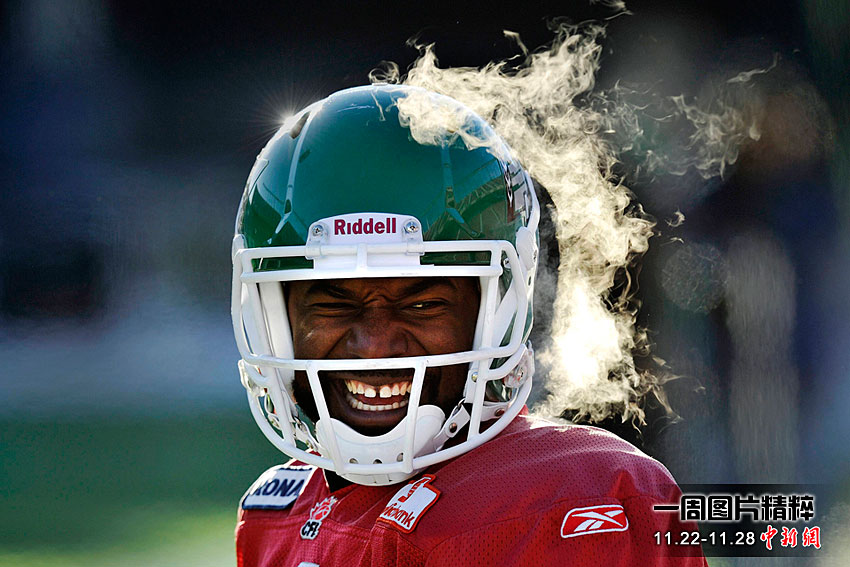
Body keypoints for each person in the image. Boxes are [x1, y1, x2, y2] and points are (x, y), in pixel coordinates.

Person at [231, 84, 706, 566]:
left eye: (422, 305)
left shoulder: (567, 501)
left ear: (497, 312)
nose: (374, 344)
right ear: (274, 317)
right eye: (333, 305)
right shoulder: (278, 515)